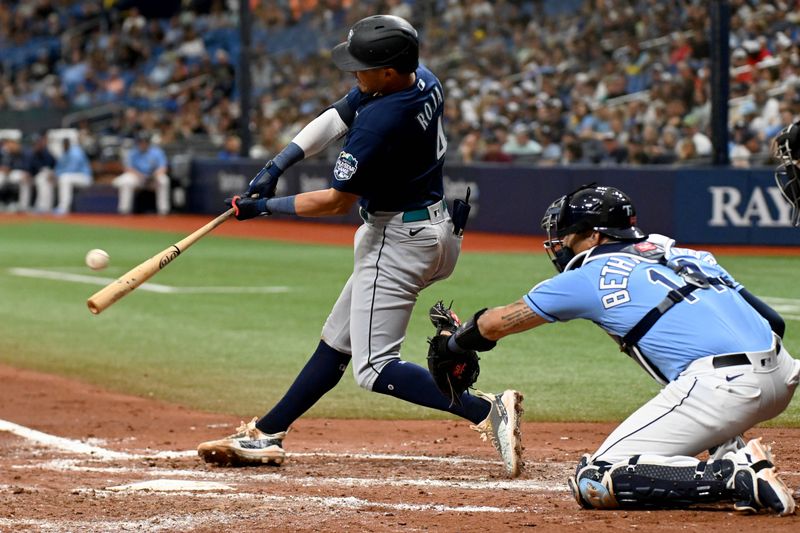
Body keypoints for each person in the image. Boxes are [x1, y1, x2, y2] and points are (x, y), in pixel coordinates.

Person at [197, 14, 523, 477]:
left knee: (373, 369)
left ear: (389, 71)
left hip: (398, 239)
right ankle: (268, 432)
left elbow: (334, 202)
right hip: (433, 229)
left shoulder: (382, 121)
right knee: (337, 341)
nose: (354, 73)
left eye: (362, 66)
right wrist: (277, 163)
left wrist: (265, 207)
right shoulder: (422, 79)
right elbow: (338, 112)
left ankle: (486, 410)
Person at [430, 183, 799, 515]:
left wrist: (453, 343)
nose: (561, 245)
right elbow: (773, 322)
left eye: (569, 236)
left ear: (593, 236)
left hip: (725, 388)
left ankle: (732, 476)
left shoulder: (588, 276)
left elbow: (496, 322)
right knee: (681, 367)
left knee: (595, 478)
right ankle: (727, 447)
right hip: (783, 374)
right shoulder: (684, 252)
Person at [112, 132, 171, 215]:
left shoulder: (157, 152)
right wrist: (140, 175)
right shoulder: (132, 152)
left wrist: (155, 175)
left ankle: (163, 210)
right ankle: (124, 210)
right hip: (138, 178)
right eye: (141, 142)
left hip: (153, 178)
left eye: (145, 142)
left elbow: (163, 167)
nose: (143, 144)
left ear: (148, 142)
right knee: (126, 181)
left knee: (164, 180)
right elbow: (128, 168)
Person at [47, 138, 92, 214]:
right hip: (72, 177)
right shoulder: (64, 154)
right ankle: (45, 207)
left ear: (69, 144)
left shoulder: (76, 152)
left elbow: (72, 169)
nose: (64, 146)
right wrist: (53, 174)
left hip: (84, 177)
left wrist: (56, 175)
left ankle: (64, 208)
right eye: (63, 144)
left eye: (66, 144)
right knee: (46, 179)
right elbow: (58, 167)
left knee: (64, 178)